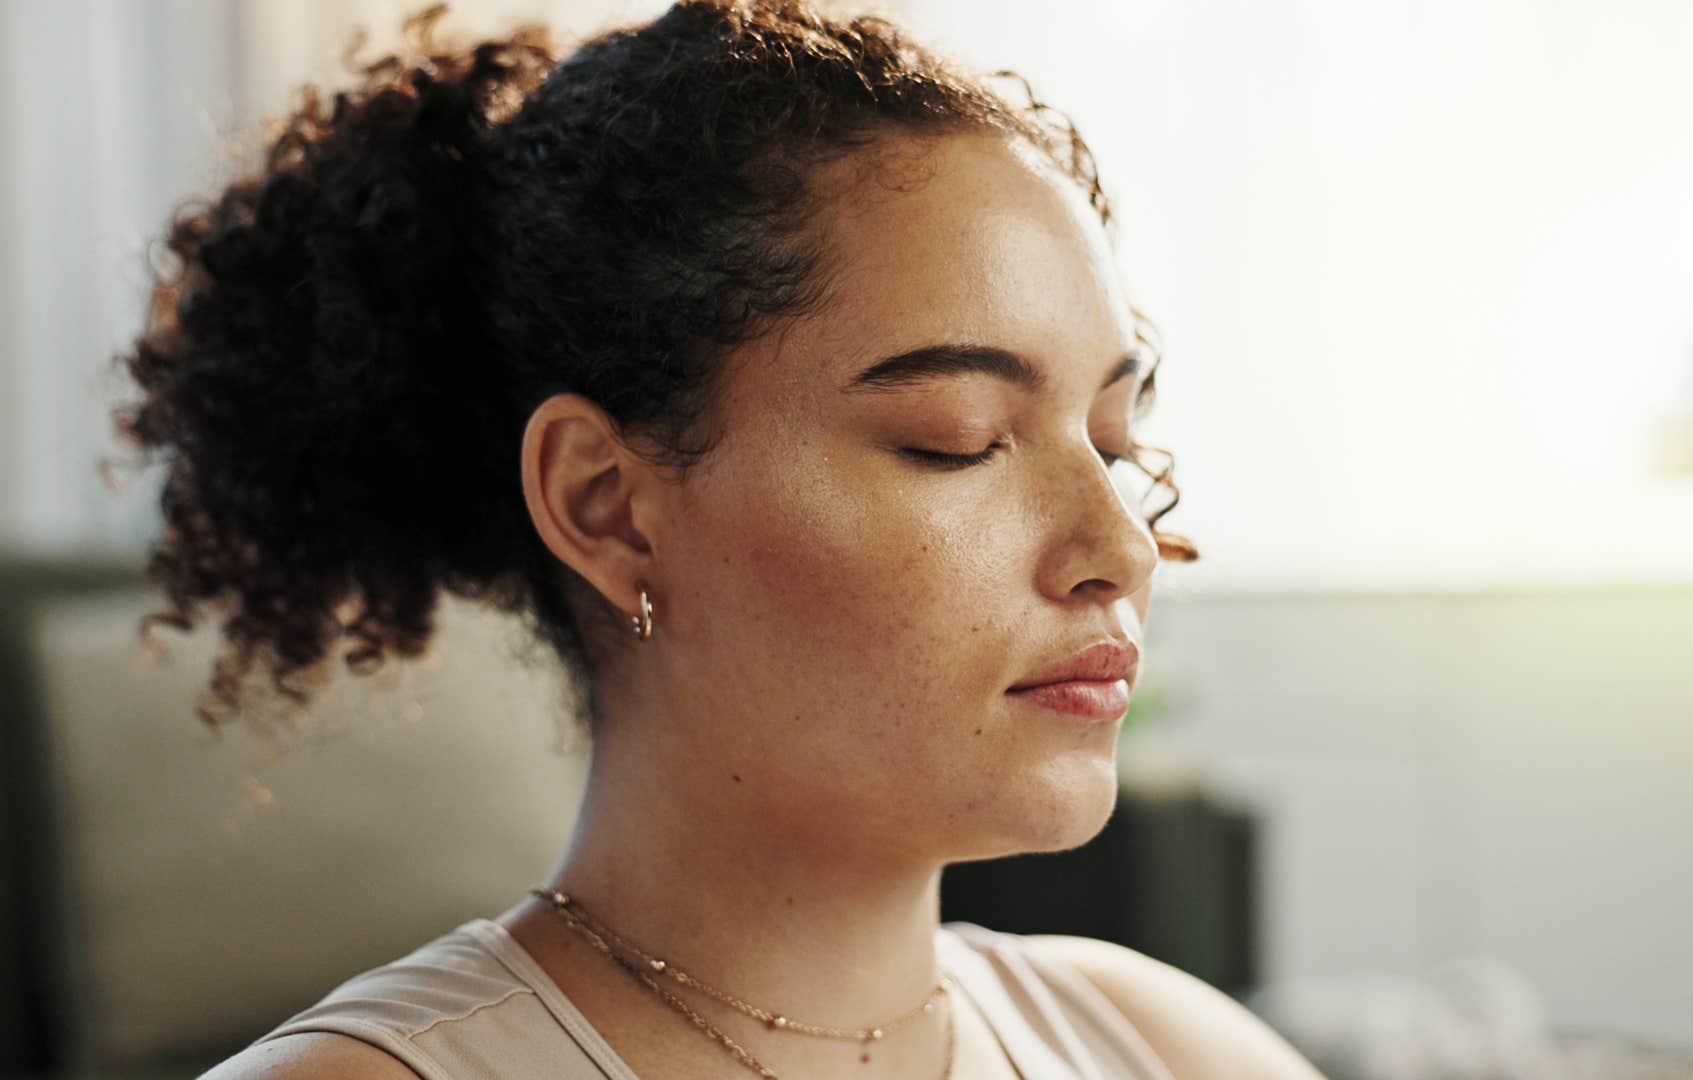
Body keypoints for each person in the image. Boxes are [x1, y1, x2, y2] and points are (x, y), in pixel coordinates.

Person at [115, 1, 1320, 1076]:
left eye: (1113, 440)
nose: (1122, 546)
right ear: (607, 506)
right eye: (956, 440)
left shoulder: (1167, 1046)